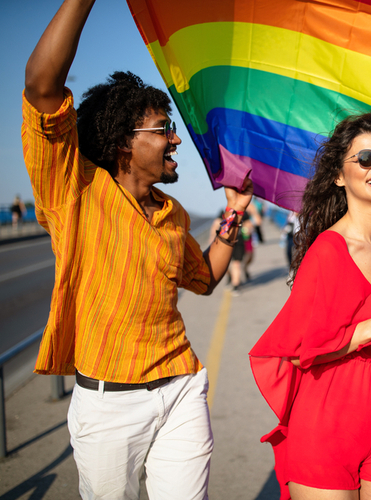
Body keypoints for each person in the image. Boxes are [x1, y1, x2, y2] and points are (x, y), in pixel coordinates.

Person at [22, 0, 253, 498]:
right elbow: (42, 87)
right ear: (123, 143)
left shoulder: (174, 215)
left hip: (182, 386)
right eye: (162, 130)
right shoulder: (74, 190)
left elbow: (205, 280)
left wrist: (234, 214)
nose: (176, 140)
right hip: (108, 406)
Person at [250, 112, 371, 500]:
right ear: (340, 175)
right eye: (366, 159)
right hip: (326, 421)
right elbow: (301, 354)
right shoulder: (327, 252)